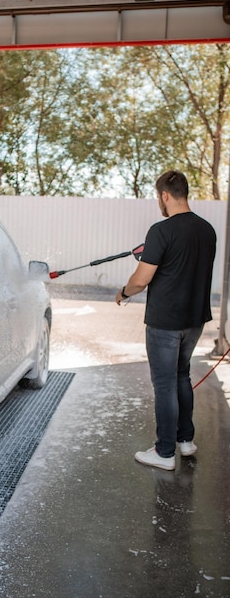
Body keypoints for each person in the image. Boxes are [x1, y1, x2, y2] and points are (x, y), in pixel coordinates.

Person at [115, 170, 216, 471]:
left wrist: (123, 291)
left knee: (164, 385)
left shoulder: (161, 231)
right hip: (194, 320)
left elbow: (141, 280)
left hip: (165, 324)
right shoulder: (207, 230)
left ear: (164, 196)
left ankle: (164, 452)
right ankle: (185, 440)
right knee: (181, 376)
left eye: (158, 197)